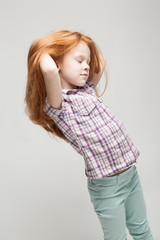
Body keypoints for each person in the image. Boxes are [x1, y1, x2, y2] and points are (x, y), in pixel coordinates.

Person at [24, 29, 154, 240]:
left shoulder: (87, 90)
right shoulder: (59, 106)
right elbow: (47, 69)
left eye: (87, 61)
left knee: (142, 230)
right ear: (57, 63)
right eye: (79, 60)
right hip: (107, 187)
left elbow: (99, 62)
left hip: (131, 175)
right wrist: (51, 50)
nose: (86, 66)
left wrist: (85, 46)